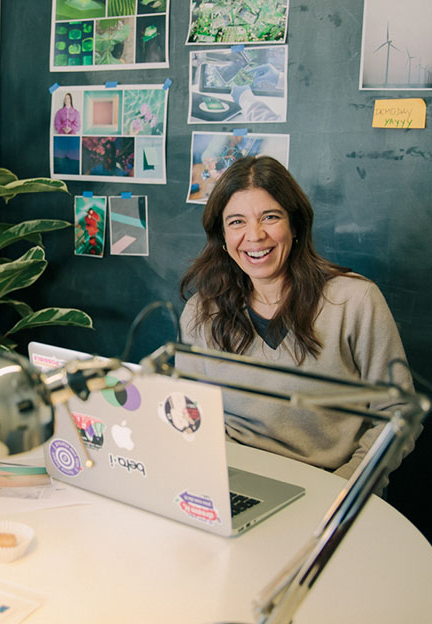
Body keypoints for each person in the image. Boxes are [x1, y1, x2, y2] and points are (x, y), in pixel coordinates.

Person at [178, 156, 418, 490]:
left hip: (331, 487)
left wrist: (347, 488)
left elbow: (398, 412)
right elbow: (191, 414)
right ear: (221, 234)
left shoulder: (355, 300)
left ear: (295, 225)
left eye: (270, 217)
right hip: (232, 482)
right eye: (236, 222)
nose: (255, 235)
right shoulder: (201, 311)